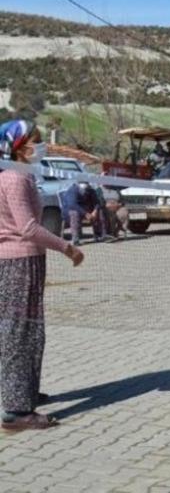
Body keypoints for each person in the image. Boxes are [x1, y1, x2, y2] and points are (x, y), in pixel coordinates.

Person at [0, 120, 85, 432]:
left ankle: (24, 390)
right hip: (19, 262)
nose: (41, 146)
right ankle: (16, 411)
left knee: (28, 329)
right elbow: (28, 228)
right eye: (36, 141)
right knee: (19, 332)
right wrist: (67, 248)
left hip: (23, 262)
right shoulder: (15, 178)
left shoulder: (14, 176)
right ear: (21, 147)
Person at [59, 181, 102, 246]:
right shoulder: (72, 190)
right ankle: (75, 239)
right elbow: (72, 205)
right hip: (69, 211)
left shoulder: (91, 190)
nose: (86, 186)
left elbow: (97, 202)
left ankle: (99, 235)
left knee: (99, 211)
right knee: (75, 213)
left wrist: (95, 211)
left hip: (84, 211)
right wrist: (85, 214)